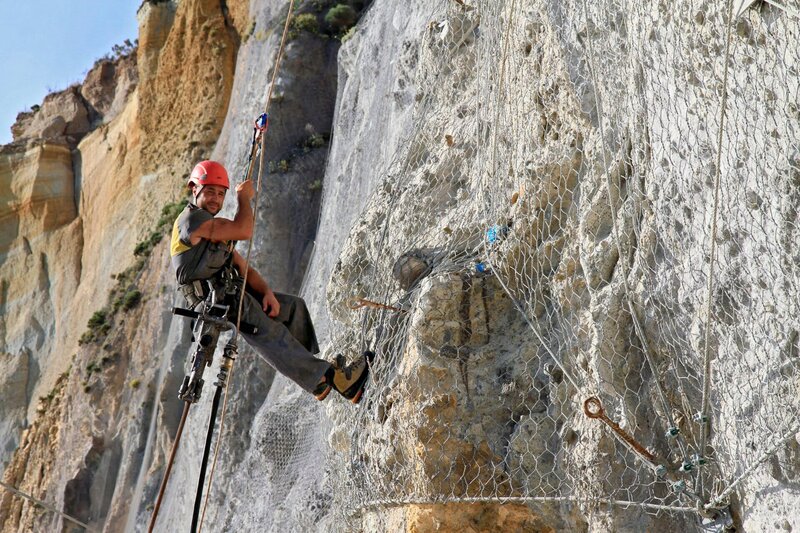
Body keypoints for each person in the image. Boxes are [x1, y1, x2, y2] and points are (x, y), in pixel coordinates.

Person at [169, 160, 372, 403]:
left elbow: (244, 268)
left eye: (221, 194)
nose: (216, 198)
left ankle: (317, 374)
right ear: (195, 189)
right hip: (215, 302)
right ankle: (336, 380)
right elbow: (244, 230)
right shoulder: (191, 221)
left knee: (292, 309)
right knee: (269, 331)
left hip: (228, 293)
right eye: (210, 191)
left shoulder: (214, 228)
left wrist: (266, 292)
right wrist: (243, 198)